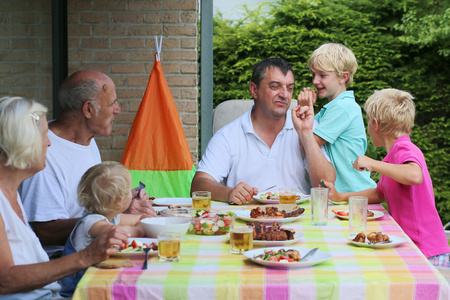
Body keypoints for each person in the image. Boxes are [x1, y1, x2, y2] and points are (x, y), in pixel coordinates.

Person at [0, 96, 130, 299]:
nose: (50, 143)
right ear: (22, 143)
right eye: (44, 136)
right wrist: (87, 255)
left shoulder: (11, 193)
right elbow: (5, 280)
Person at [19, 70, 156, 258]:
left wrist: (117, 200)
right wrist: (112, 216)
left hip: (96, 251)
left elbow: (89, 204)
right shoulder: (44, 151)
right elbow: (45, 231)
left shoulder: (87, 140)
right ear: (88, 109)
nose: (118, 109)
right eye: (111, 103)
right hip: (63, 264)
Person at [324, 89, 450, 265]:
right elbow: (379, 193)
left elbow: (414, 175)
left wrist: (373, 163)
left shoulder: (404, 149)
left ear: (375, 124)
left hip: (426, 252)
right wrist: (340, 196)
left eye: (367, 122)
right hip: (414, 248)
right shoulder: (392, 157)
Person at [191, 58, 336, 204]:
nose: (284, 94)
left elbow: (325, 184)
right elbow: (199, 185)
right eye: (275, 86)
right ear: (254, 90)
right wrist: (228, 193)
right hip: (246, 220)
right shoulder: (228, 135)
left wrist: (306, 134)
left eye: (289, 88)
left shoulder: (306, 125)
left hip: (298, 219)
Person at [59, 161, 147, 297]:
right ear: (120, 201)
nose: (132, 192)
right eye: (129, 190)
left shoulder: (112, 216)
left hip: (97, 279)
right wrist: (141, 228)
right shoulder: (92, 223)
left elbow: (139, 218)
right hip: (75, 290)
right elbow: (117, 233)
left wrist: (143, 219)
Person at [298, 43, 376, 193]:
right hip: (345, 195)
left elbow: (308, 145)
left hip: (352, 194)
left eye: (322, 75)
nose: (315, 81)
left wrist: (303, 110)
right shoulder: (330, 109)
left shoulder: (342, 108)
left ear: (343, 77)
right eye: (313, 75)